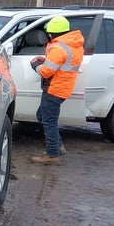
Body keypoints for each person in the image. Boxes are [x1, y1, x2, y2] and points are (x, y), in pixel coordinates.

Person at [29, 15, 84, 165]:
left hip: (54, 89)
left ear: (53, 33)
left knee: (49, 121)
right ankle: (58, 146)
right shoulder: (73, 44)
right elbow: (61, 63)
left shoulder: (59, 47)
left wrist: (35, 64)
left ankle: (52, 155)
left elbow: (46, 72)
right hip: (62, 88)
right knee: (42, 116)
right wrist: (46, 60)